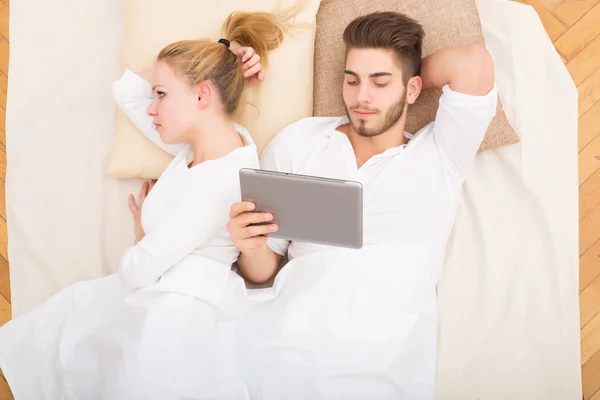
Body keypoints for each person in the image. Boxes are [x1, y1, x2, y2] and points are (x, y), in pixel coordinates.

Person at [0, 9, 293, 400]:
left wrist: (143, 236)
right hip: (164, 294)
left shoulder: (220, 180)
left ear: (203, 95)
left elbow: (138, 271)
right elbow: (124, 91)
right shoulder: (204, 143)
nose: (151, 108)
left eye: (161, 95)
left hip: (178, 312)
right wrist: (230, 59)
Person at [227, 11, 497, 398]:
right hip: (287, 350)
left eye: (380, 81)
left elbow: (473, 63)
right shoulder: (299, 142)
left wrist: (407, 74)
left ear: (413, 88)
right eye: (351, 80)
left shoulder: (440, 155)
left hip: (382, 367)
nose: (361, 97)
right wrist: (249, 246)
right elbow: (263, 269)